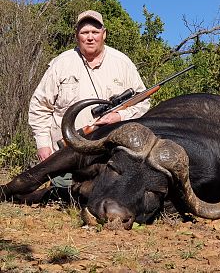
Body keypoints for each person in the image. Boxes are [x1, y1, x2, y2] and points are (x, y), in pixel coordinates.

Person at [28, 10, 150, 188]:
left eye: (95, 32)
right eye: (85, 33)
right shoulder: (61, 64)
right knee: (66, 192)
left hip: (109, 154)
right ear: (77, 36)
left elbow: (143, 102)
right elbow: (40, 107)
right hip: (67, 154)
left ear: (104, 34)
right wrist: (43, 145)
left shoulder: (123, 63)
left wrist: (120, 117)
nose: (90, 37)